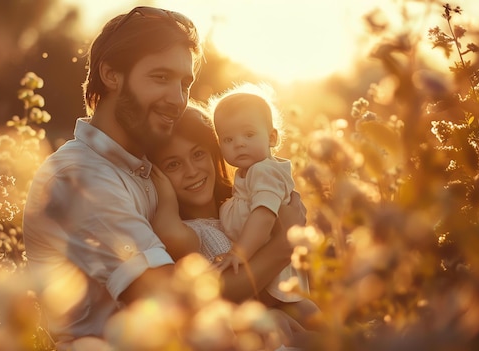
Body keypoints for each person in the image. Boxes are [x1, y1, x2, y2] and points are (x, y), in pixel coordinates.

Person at [22, 5, 308, 349]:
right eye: (160, 77)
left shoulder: (144, 164)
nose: (177, 99)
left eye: (184, 83)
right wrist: (283, 247)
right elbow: (177, 302)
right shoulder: (79, 177)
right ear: (112, 75)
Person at [148, 102, 320, 329]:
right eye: (173, 165)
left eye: (198, 154)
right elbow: (169, 231)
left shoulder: (239, 207)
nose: (191, 171)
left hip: (290, 303)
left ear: (214, 153)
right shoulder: (190, 232)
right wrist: (163, 192)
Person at [209, 83, 318, 314]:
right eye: (228, 139)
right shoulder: (248, 173)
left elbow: (264, 215)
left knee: (308, 321)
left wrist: (239, 253)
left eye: (248, 134)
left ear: (272, 137)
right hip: (268, 276)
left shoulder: (264, 171)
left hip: (276, 278)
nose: (238, 143)